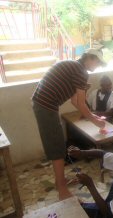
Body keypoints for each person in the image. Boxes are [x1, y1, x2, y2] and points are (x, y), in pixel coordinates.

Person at [32, 48, 106, 200]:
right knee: (57, 147)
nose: (97, 66)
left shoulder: (74, 66)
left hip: (43, 104)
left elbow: (74, 101)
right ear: (89, 58)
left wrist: (92, 116)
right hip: (46, 106)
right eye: (97, 62)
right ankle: (62, 188)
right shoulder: (80, 71)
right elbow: (80, 102)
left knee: (57, 145)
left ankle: (61, 180)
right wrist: (96, 121)